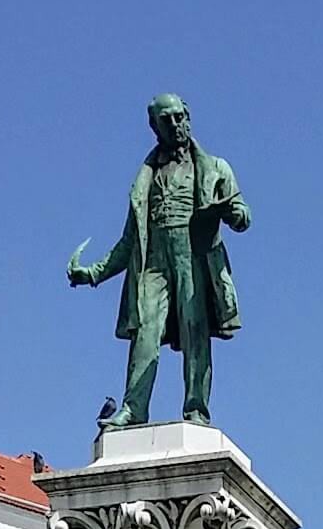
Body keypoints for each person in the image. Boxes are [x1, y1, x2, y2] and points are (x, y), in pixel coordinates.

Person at [68, 93, 250, 429]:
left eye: (179, 117)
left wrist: (232, 213)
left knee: (196, 332)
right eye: (166, 120)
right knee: (145, 334)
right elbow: (129, 242)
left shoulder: (215, 167)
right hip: (154, 264)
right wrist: (93, 273)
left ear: (188, 116)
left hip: (194, 256)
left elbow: (242, 216)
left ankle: (196, 409)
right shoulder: (146, 178)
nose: (175, 125)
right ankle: (133, 408)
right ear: (155, 127)